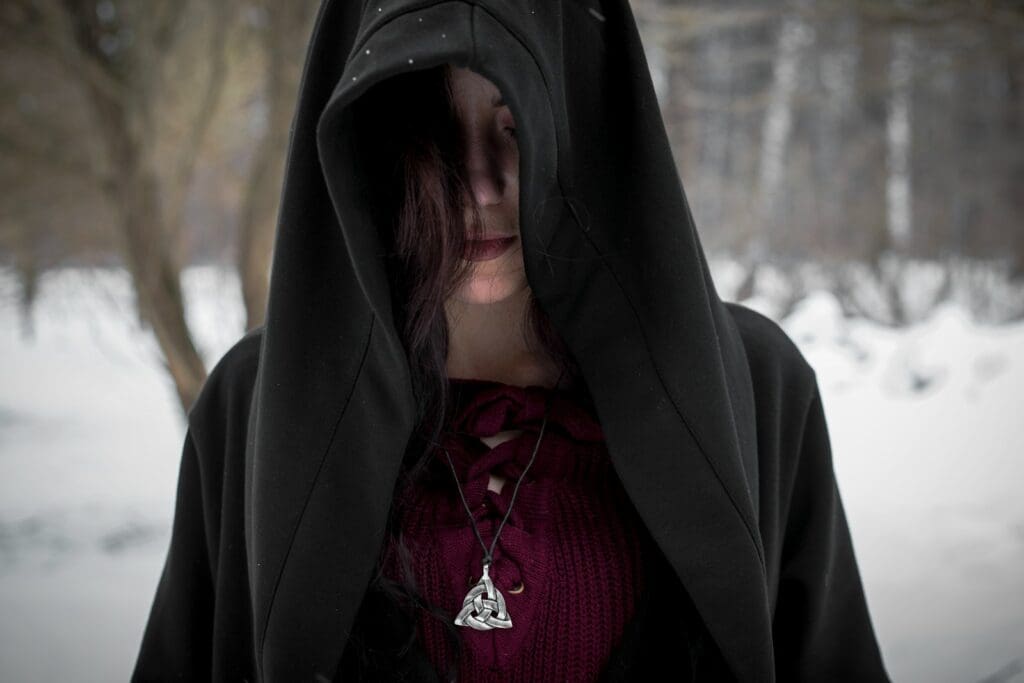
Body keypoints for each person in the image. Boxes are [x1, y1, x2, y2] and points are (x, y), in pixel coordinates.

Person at [132, 1, 892, 682]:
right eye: (431, 132)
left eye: (517, 126)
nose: (481, 186)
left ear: (587, 135)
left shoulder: (753, 391)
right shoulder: (254, 404)